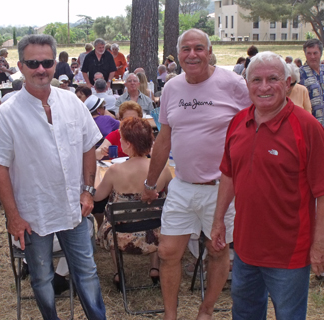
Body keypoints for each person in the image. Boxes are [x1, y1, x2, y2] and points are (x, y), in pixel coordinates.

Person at [0, 34, 107, 320]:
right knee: (40, 278)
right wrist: (13, 216)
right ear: (20, 66)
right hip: (32, 213)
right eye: (33, 63)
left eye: (47, 62)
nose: (41, 69)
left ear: (55, 64)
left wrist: (88, 190)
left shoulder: (72, 102)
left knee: (87, 273)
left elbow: (89, 144)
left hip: (73, 208)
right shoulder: (7, 114)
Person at [210, 51, 324, 320]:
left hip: (289, 252)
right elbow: (229, 175)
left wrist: (321, 244)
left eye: (273, 79)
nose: (264, 87)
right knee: (244, 314)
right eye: (256, 79)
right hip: (245, 249)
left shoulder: (307, 127)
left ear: (288, 83)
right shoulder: (238, 121)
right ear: (246, 84)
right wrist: (218, 219)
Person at [141, 28, 252, 320]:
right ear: (178, 54)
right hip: (182, 185)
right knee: (167, 252)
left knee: (217, 252)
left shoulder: (233, 84)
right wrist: (150, 183)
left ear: (210, 50)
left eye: (199, 48)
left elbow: (255, 126)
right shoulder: (172, 88)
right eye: (186, 49)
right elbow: (163, 139)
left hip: (222, 188)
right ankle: (170, 315)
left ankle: (206, 311)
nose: (192, 54)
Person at [95, 117, 172, 290]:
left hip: (121, 236)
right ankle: (154, 268)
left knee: (112, 221)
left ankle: (118, 272)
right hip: (155, 234)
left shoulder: (115, 171)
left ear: (128, 144)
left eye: (121, 139)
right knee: (154, 214)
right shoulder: (162, 169)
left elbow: (97, 197)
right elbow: (171, 197)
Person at [299, 39, 324, 130]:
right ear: (305, 54)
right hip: (311, 126)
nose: (312, 57)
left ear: (320, 53)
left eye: (315, 53)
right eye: (309, 53)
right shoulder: (300, 74)